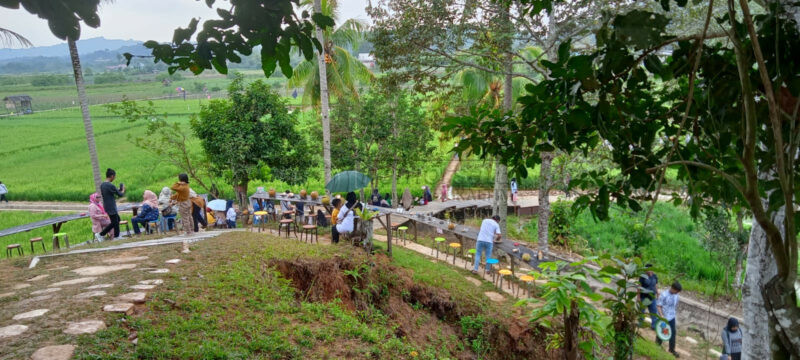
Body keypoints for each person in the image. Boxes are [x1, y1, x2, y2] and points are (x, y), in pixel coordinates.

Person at [96, 168, 125, 241]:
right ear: (112, 176)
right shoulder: (110, 185)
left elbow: (110, 192)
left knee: (117, 220)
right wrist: (123, 189)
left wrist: (117, 189)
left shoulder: (102, 185)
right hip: (111, 206)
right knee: (115, 221)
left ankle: (115, 236)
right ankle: (102, 234)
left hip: (106, 205)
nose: (114, 178)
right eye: (114, 177)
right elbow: (120, 194)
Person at [656, 281, 683, 358]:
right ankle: (657, 345)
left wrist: (673, 313)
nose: (677, 293)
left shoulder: (676, 295)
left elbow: (675, 305)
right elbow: (658, 306)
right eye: (677, 291)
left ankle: (671, 349)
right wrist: (661, 316)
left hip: (671, 317)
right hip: (663, 317)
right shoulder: (664, 295)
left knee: (673, 333)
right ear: (673, 289)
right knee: (661, 332)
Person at [639, 264, 659, 329]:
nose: (651, 271)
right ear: (646, 270)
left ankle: (654, 326)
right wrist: (638, 297)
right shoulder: (642, 277)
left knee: (654, 312)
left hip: (652, 297)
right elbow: (639, 286)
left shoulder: (655, 276)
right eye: (649, 270)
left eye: (652, 269)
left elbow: (655, 284)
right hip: (644, 297)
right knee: (642, 311)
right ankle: (640, 324)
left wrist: (657, 292)